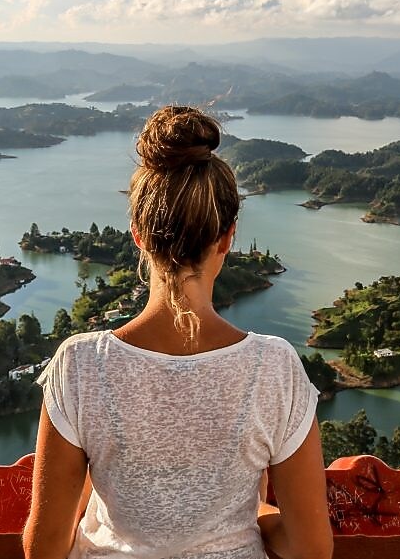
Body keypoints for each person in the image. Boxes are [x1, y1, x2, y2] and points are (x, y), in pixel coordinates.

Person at [23, 105, 332, 559]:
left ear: (138, 236)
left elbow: (45, 545)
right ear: (227, 238)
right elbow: (310, 549)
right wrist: (259, 512)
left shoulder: (80, 365)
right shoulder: (274, 368)